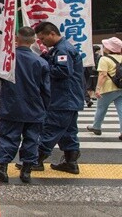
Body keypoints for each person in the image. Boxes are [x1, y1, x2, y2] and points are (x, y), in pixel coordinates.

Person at [0, 27, 51, 184]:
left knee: (8, 137)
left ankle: (3, 167)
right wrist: (44, 108)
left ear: (16, 39)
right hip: (35, 106)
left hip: (12, 105)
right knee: (32, 139)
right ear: (33, 41)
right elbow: (46, 90)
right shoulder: (41, 62)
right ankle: (26, 170)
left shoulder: (8, 60)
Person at [33, 21, 85, 174]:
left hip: (64, 97)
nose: (42, 42)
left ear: (52, 34)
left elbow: (63, 71)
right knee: (69, 131)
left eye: (43, 39)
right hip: (70, 98)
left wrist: (45, 67)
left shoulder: (62, 50)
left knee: (51, 128)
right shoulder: (60, 49)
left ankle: (37, 159)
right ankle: (71, 162)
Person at [86, 37, 122, 141]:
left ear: (110, 48)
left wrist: (97, 89)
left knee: (101, 108)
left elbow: (102, 75)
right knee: (121, 110)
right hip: (121, 88)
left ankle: (96, 127)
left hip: (108, 89)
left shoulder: (104, 59)